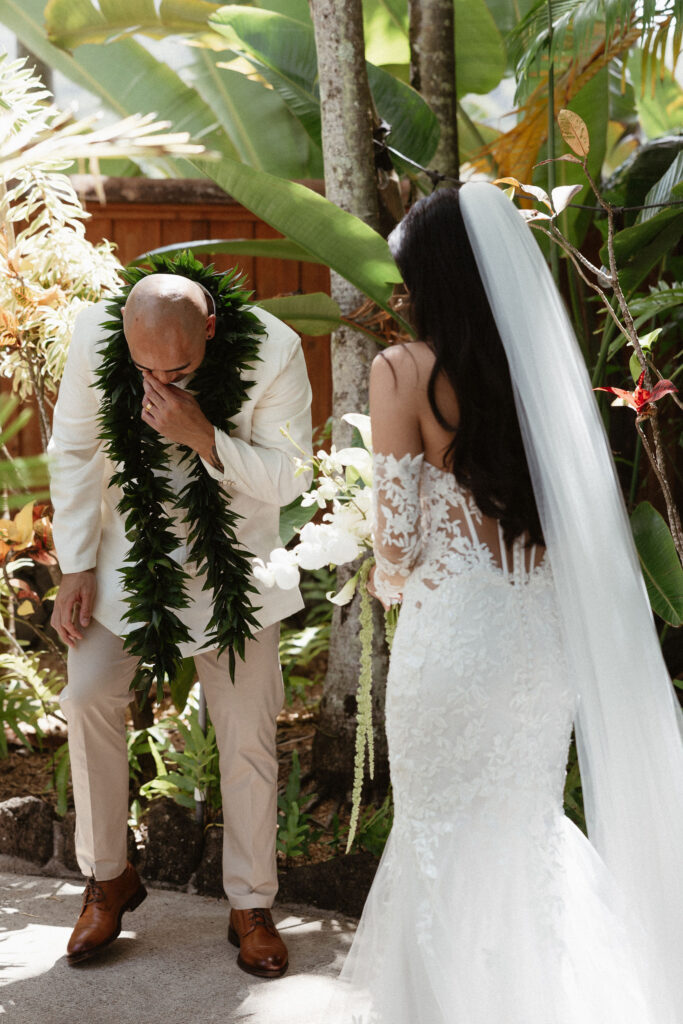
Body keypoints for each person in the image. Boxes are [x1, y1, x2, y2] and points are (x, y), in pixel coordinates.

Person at [241, 181, 682, 1023]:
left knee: (439, 837)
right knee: (527, 834)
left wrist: (379, 573)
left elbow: (399, 549)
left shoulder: (402, 370)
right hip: (537, 642)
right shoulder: (543, 377)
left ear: (437, 281)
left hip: (451, 646)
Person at [48, 269, 313, 977]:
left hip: (232, 569)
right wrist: (74, 565)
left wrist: (204, 435)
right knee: (85, 695)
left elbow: (290, 478)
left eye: (179, 369)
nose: (159, 383)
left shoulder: (273, 350)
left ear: (212, 331)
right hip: (122, 564)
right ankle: (108, 879)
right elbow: (73, 450)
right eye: (144, 370)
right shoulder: (90, 335)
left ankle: (251, 904)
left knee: (247, 729)